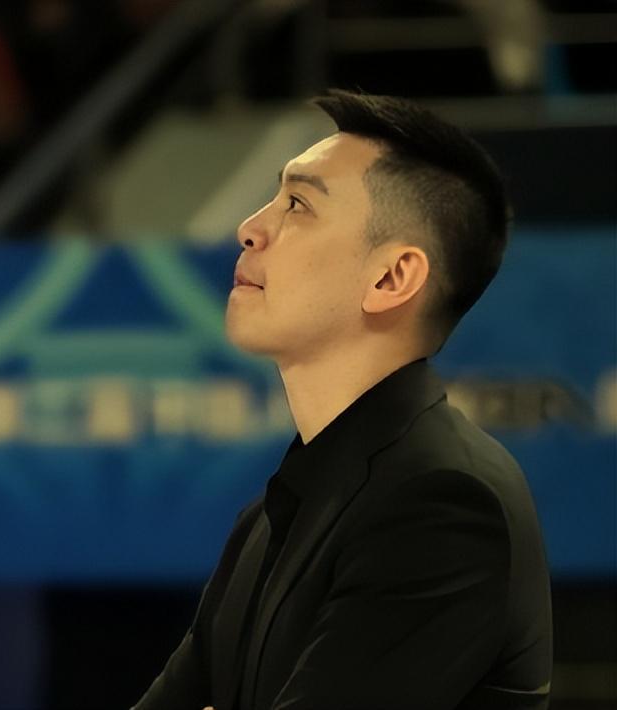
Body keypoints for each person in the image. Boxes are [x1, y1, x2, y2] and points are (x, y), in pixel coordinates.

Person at [134, 91, 552, 710]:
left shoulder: (442, 504)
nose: (250, 228)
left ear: (391, 278)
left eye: (298, 204)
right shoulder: (267, 520)